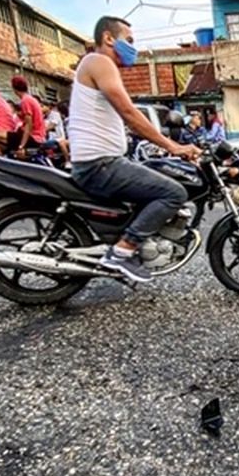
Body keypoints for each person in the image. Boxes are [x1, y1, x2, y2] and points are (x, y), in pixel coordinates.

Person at [68, 16, 200, 283]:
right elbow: (129, 113)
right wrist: (173, 147)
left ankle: (133, 242)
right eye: (128, 41)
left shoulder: (96, 66)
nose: (133, 48)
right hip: (100, 165)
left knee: (153, 178)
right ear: (108, 38)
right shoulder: (100, 61)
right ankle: (123, 251)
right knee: (174, 192)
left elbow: (121, 119)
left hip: (104, 161)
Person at [4, 76, 47, 159]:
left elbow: (28, 124)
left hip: (34, 137)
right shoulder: (31, 99)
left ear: (14, 89)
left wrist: (21, 145)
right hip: (38, 135)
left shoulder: (25, 100)